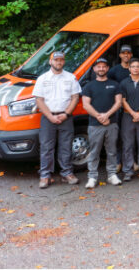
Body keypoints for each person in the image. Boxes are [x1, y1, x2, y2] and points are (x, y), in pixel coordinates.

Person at [32, 51, 81, 189]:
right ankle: (45, 175)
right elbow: (39, 100)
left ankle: (67, 173)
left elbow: (75, 98)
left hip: (66, 117)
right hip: (48, 117)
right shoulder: (42, 79)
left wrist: (66, 113)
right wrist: (50, 116)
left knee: (66, 146)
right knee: (46, 147)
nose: (58, 62)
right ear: (50, 62)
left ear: (64, 62)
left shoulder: (71, 78)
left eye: (61, 60)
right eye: (56, 60)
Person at [82, 58, 123, 188]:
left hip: (112, 123)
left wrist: (107, 115)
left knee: (111, 151)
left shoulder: (115, 84)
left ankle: (111, 175)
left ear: (107, 68)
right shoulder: (89, 86)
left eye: (104, 66)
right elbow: (86, 104)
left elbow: (118, 102)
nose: (101, 69)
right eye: (98, 66)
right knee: (94, 152)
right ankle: (92, 177)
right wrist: (99, 116)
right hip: (95, 124)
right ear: (94, 69)